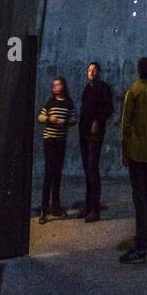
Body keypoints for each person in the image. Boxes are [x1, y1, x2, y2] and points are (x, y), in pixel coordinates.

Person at [119, 56, 147, 263]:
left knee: (138, 197)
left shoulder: (133, 92)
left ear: (138, 70)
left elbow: (125, 124)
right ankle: (145, 235)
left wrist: (124, 150)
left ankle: (141, 243)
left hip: (135, 152)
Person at [37, 76, 77, 225]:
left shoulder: (68, 102)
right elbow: (40, 117)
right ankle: (44, 208)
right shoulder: (50, 101)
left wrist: (64, 121)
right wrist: (49, 119)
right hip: (50, 140)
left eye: (58, 85)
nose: (56, 87)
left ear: (63, 86)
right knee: (49, 172)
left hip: (61, 141)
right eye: (54, 85)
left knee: (58, 173)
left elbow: (74, 119)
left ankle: (56, 205)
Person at [77, 61, 114, 222]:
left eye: (94, 70)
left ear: (99, 72)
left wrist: (97, 122)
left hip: (95, 134)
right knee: (87, 169)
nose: (91, 72)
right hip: (84, 133)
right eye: (89, 70)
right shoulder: (87, 89)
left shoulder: (103, 88)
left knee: (92, 169)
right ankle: (88, 205)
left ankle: (95, 209)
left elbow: (109, 109)